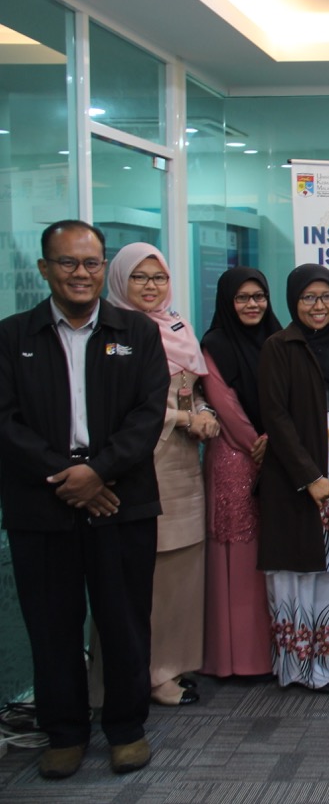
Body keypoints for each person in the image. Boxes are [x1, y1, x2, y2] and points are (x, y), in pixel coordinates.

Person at [0, 220, 168, 778]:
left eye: (91, 263)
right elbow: (6, 422)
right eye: (67, 262)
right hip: (42, 504)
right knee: (52, 625)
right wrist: (69, 476)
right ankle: (64, 732)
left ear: (102, 268)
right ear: (44, 268)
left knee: (124, 621)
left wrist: (97, 472)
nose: (80, 273)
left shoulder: (136, 332)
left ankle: (126, 729)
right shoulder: (12, 336)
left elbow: (148, 415)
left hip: (121, 499)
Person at [107, 243, 218, 707]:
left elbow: (193, 388)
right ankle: (144, 674)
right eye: (139, 277)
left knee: (181, 569)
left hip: (183, 463)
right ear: (120, 281)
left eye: (159, 277)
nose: (151, 286)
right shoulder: (113, 336)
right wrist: (182, 418)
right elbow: (117, 408)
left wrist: (205, 412)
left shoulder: (176, 325)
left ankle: (170, 666)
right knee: (141, 573)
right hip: (142, 462)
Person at [257, 264, 329, 693]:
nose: (319, 306)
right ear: (293, 301)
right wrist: (310, 476)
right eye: (308, 298)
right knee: (301, 568)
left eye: (326, 297)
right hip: (297, 477)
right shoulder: (278, 346)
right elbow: (276, 418)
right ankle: (302, 668)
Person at [199, 267, 283, 679]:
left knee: (269, 553)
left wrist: (279, 441)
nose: (253, 305)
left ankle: (270, 652)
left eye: (259, 296)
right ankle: (236, 658)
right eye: (242, 298)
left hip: (277, 456)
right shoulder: (214, 344)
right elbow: (223, 403)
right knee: (239, 554)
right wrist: (260, 442)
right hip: (236, 459)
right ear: (227, 302)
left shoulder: (277, 338)